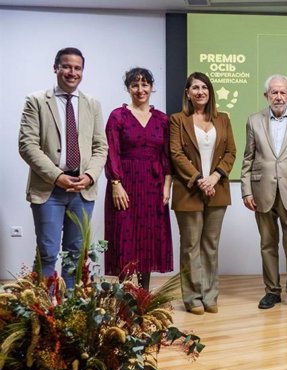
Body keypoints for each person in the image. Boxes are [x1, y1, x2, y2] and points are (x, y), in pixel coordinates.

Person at [18, 47, 108, 288]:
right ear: (55, 67)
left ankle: (71, 309)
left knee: (76, 255)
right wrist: (57, 176)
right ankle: (44, 312)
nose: (72, 72)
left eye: (77, 68)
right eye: (67, 66)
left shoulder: (92, 104)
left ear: (83, 71)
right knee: (47, 252)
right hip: (49, 190)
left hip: (82, 189)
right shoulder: (36, 101)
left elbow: (101, 147)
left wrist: (89, 176)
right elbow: (27, 145)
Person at [240, 74, 287, 311]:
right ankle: (271, 291)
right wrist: (246, 191)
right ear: (266, 95)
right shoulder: (253, 121)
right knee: (268, 243)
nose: (278, 96)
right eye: (274, 92)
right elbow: (248, 158)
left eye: (283, 92)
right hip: (262, 191)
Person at [169, 72, 236, 315]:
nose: (200, 92)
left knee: (210, 245)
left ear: (210, 92)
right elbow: (176, 154)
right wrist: (199, 179)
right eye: (195, 88)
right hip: (189, 190)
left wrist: (215, 177)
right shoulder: (177, 120)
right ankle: (192, 297)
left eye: (204, 87)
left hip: (216, 188)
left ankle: (210, 295)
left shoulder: (223, 119)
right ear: (188, 93)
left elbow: (230, 152)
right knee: (190, 246)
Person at [103, 68, 173, 290]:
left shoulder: (162, 119)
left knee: (149, 239)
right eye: (135, 85)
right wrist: (116, 184)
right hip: (125, 185)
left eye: (145, 84)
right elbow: (111, 151)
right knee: (124, 237)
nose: (140, 89)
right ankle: (124, 294)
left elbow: (167, 156)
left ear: (152, 87)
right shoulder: (118, 116)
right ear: (128, 89)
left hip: (153, 186)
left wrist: (167, 187)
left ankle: (143, 295)